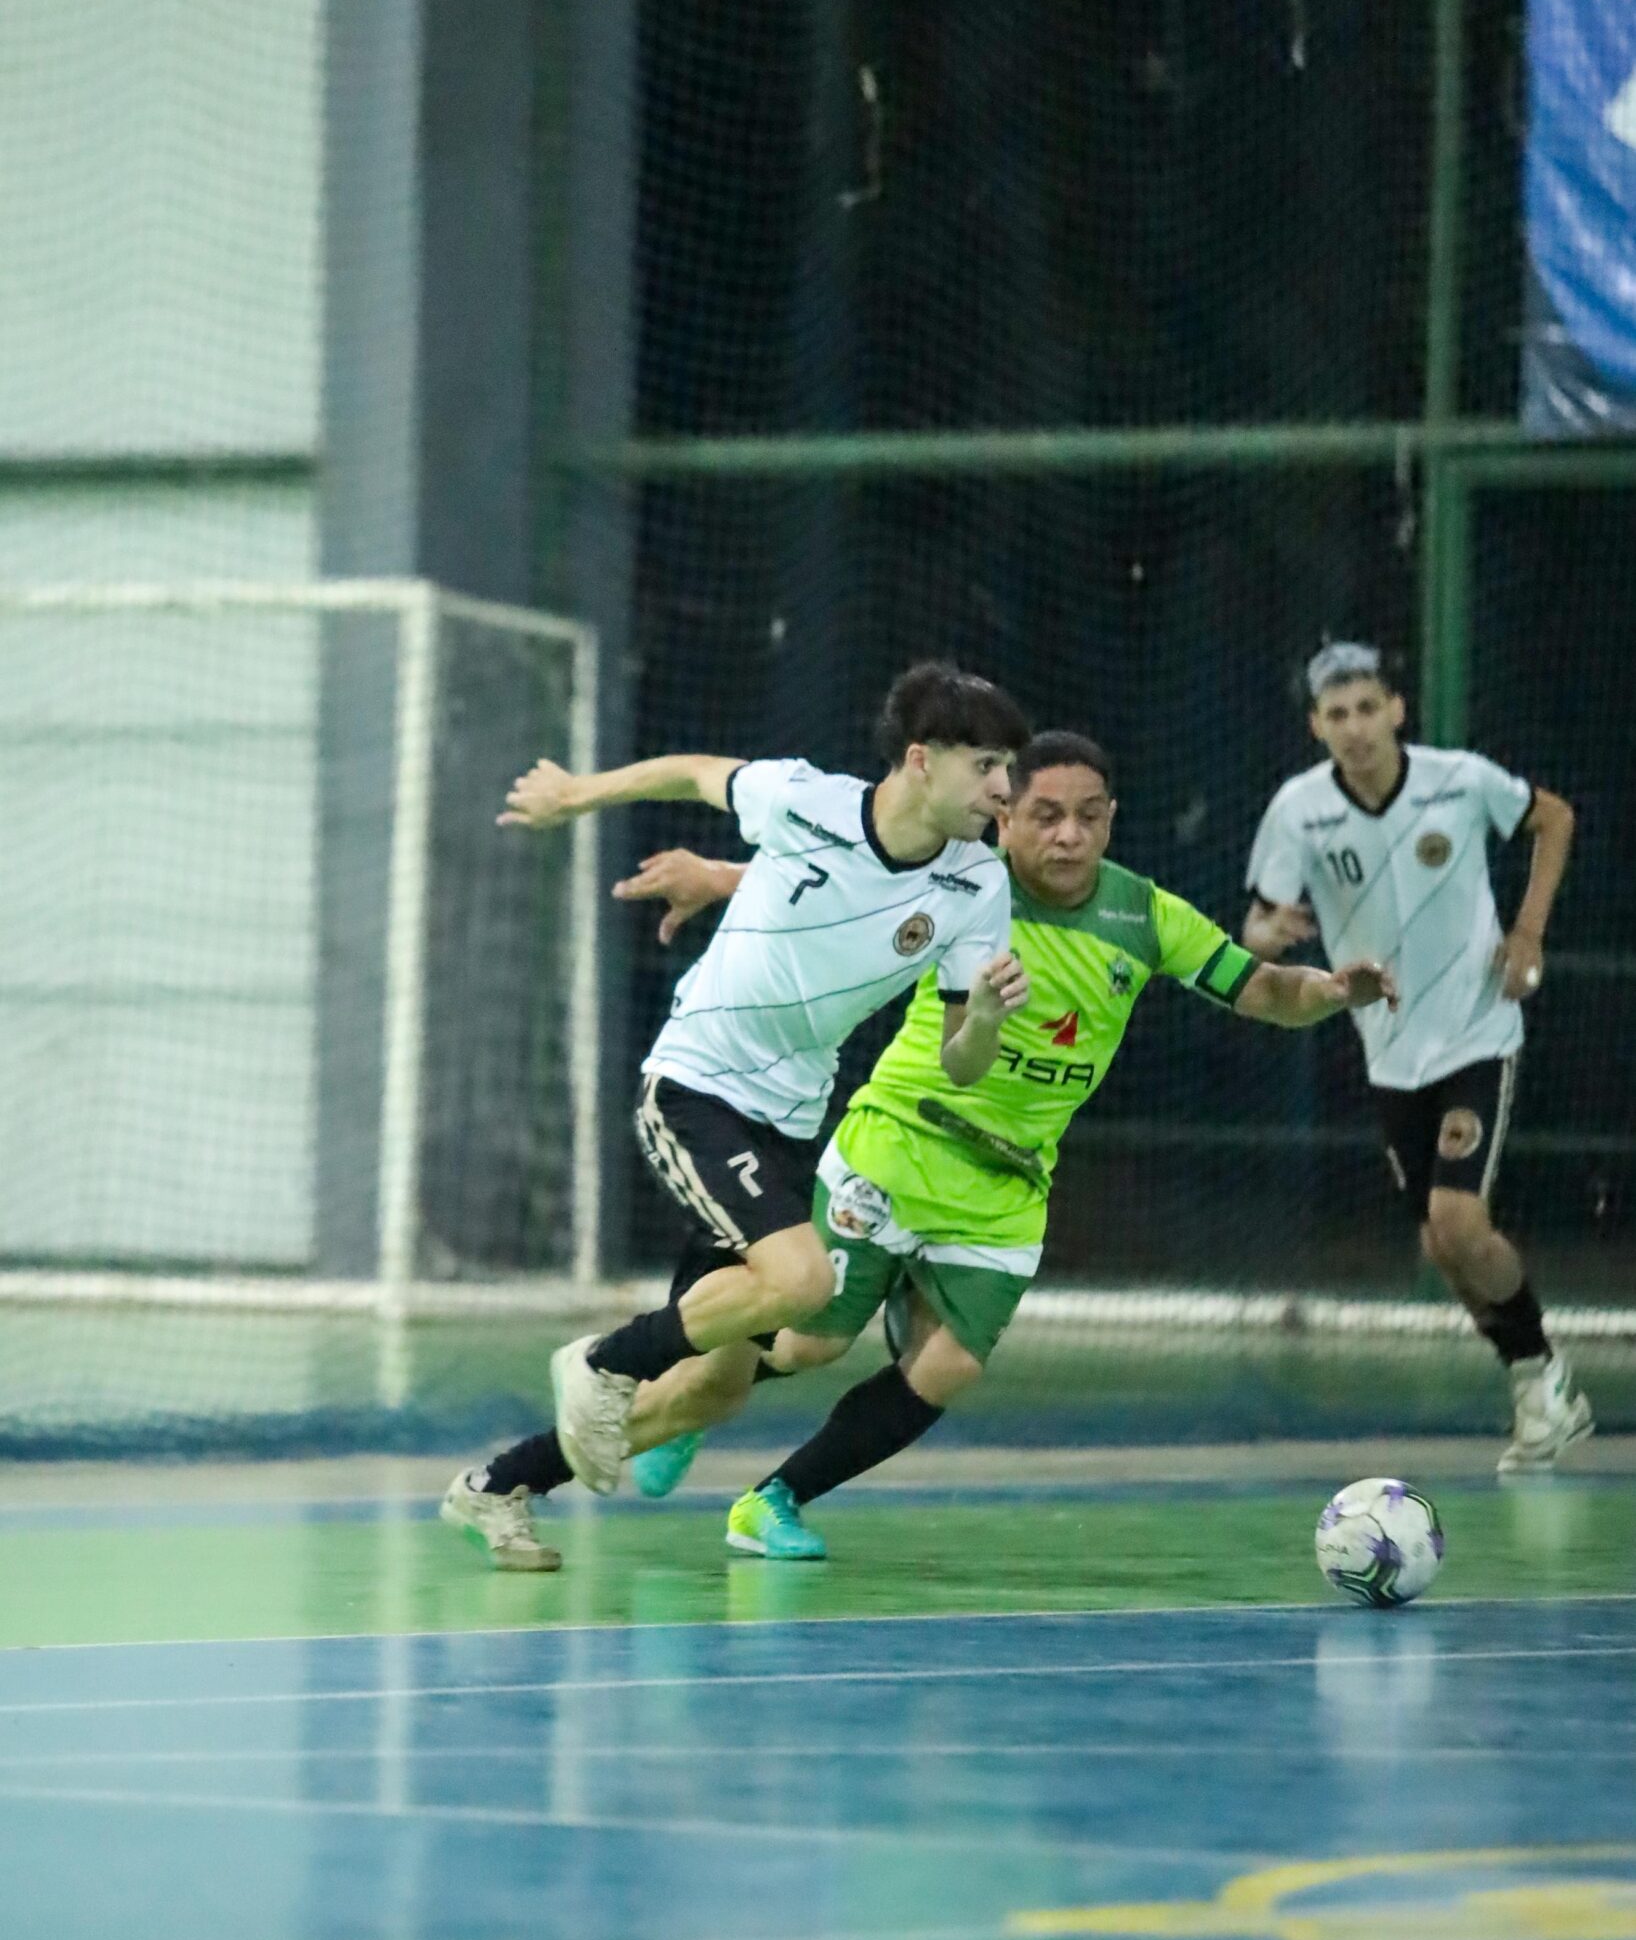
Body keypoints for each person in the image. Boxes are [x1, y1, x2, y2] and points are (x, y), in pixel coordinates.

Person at [608, 730, 1397, 1560]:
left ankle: (773, 1501)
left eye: (1090, 817)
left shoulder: (1145, 915)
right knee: (812, 1341)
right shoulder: (964, 883)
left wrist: (1333, 993)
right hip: (901, 1145)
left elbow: (1266, 987)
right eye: (1047, 816)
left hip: (1010, 1186)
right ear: (1006, 817)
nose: (1069, 835)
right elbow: (841, 894)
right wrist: (718, 876)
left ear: (1112, 820)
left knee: (949, 1367)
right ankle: (685, 1393)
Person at [441, 660, 1029, 1570]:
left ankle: (497, 1487)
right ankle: (601, 1362)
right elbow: (686, 771)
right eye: (987, 765)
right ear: (922, 760)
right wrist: (573, 795)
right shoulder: (804, 801)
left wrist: (986, 1016)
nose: (1004, 789)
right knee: (803, 1285)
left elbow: (963, 1061)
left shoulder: (976, 888)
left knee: (711, 1390)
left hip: (791, 1120)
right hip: (700, 1083)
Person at [1242, 639, 1590, 1475]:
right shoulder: (1298, 810)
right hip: (1389, 1051)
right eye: (1337, 714)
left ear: (1396, 710)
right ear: (1316, 726)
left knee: (1458, 1221)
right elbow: (1258, 921)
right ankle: (1540, 1385)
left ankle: (1542, 1377)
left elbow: (1554, 817)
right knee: (1442, 1246)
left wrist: (1528, 931)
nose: (1355, 727)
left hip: (1478, 1030)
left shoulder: (1459, 779)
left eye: (1368, 708)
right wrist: (1269, 934)